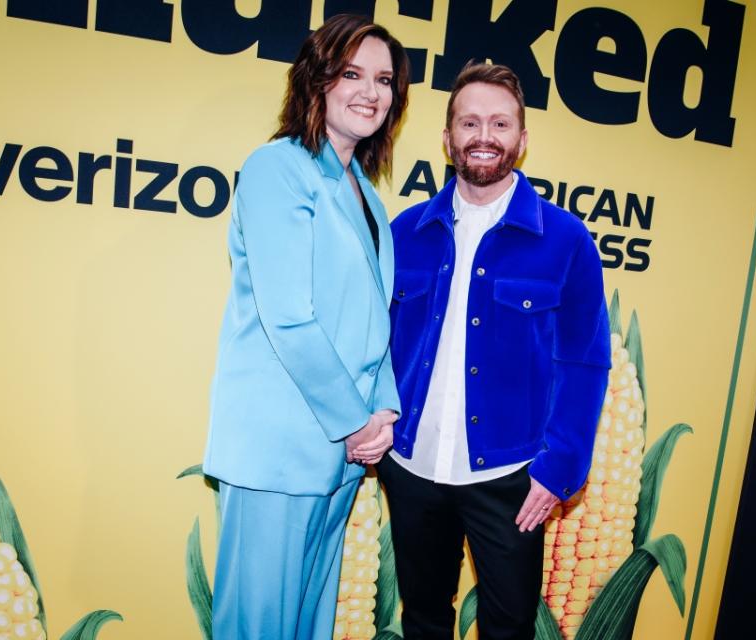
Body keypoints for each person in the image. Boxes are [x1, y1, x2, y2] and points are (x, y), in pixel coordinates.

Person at [378, 62, 611, 640]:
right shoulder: (404, 232)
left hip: (511, 477)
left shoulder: (566, 240)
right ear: (448, 137)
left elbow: (584, 363)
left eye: (500, 123)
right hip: (412, 467)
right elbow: (373, 344)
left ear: (522, 140)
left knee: (508, 628)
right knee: (423, 619)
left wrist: (561, 468)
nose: (485, 136)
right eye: (470, 122)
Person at [202, 14, 408, 640]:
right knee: (257, 628)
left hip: (342, 456)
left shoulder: (367, 194)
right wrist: (355, 420)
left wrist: (384, 413)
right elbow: (288, 316)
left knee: (307, 628)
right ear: (317, 81)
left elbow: (374, 320)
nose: (371, 92)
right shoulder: (277, 168)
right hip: (279, 450)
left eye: (385, 80)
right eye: (352, 74)